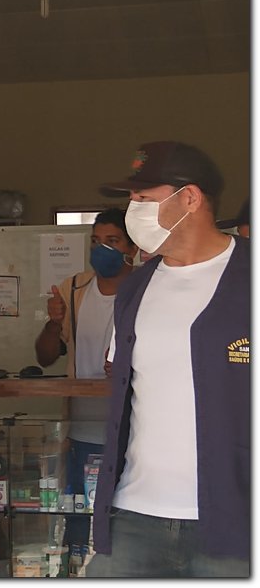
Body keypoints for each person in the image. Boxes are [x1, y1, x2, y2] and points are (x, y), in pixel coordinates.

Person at [87, 141, 249, 577]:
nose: (131, 209)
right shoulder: (135, 289)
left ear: (191, 199)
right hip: (133, 518)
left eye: (143, 198)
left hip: (234, 526)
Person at [34, 208, 139, 550]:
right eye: (96, 241)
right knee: (80, 518)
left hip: (132, 427)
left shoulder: (145, 288)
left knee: (124, 520)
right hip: (81, 427)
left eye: (112, 241)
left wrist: (128, 366)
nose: (101, 249)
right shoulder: (74, 288)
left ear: (132, 247)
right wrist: (53, 322)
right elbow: (45, 356)